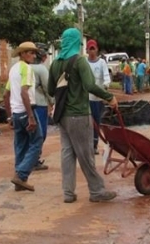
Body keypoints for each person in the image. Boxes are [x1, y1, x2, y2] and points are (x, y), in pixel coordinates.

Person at [47, 28, 119, 204]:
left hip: (62, 115)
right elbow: (89, 85)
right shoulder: (80, 61)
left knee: (67, 153)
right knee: (86, 154)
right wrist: (109, 97)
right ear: (77, 43)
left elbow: (50, 90)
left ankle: (68, 193)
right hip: (79, 115)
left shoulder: (55, 64)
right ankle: (97, 190)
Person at [4, 41, 43, 191]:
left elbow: (6, 95)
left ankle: (20, 180)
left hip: (16, 113)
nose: (33, 55)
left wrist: (9, 117)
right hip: (27, 112)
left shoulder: (13, 69)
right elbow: (24, 92)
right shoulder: (26, 69)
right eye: (30, 52)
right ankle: (21, 175)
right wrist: (31, 117)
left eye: (34, 53)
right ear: (22, 54)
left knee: (21, 146)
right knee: (36, 142)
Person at [86, 39, 111, 154]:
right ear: (86, 50)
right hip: (85, 98)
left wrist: (105, 86)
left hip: (97, 99)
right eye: (89, 49)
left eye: (93, 49)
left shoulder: (101, 63)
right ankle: (86, 145)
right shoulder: (84, 63)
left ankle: (94, 145)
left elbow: (106, 77)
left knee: (96, 122)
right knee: (86, 122)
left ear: (96, 50)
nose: (91, 51)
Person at [31, 47, 52, 171]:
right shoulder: (41, 69)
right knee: (41, 134)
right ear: (42, 57)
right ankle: (34, 160)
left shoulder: (24, 67)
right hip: (39, 104)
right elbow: (47, 88)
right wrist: (53, 102)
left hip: (26, 104)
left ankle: (28, 158)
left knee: (29, 134)